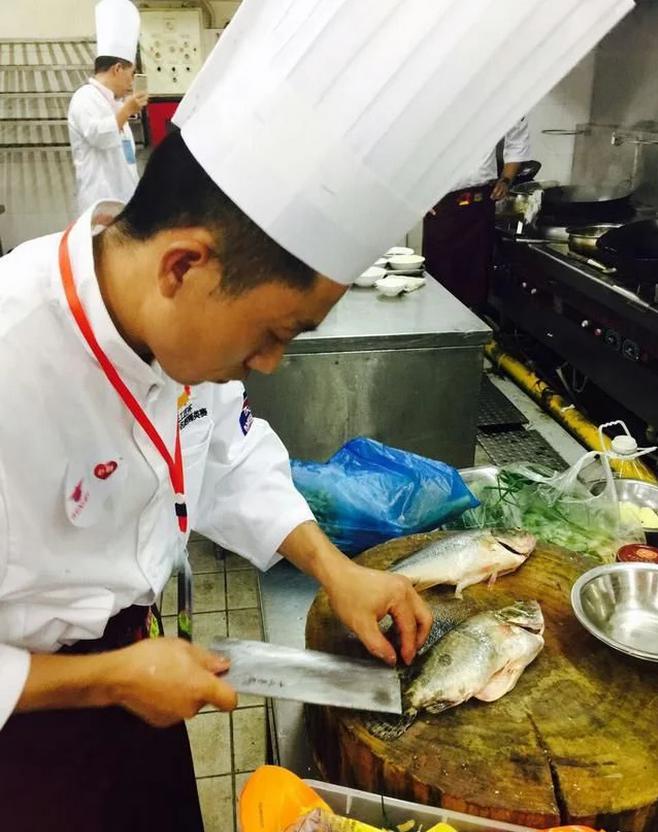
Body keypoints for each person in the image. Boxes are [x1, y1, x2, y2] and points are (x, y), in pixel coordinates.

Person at [0, 0, 628, 827]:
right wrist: (103, 680)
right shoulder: (14, 356)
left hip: (140, 676)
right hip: (30, 731)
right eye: (272, 332)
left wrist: (339, 572)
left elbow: (230, 456)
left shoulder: (180, 339)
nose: (269, 363)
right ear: (184, 267)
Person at [423, 116, 532, 311]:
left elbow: (517, 141)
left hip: (480, 203)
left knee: (476, 280)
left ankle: (472, 325)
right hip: (442, 202)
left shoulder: (504, 102)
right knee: (439, 279)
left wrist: (506, 179)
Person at [67, 0, 147, 215]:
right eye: (131, 74)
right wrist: (126, 111)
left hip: (124, 203)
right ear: (118, 69)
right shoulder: (85, 98)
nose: (131, 81)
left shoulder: (115, 103)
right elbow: (99, 136)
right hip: (100, 206)